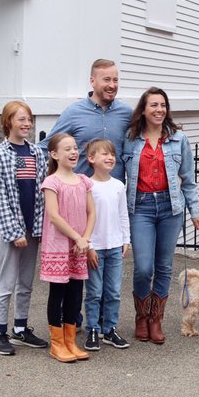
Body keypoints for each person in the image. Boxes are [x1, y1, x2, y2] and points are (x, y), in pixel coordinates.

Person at [123, 87, 199, 345]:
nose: (159, 110)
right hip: (141, 208)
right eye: (153, 105)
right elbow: (116, 175)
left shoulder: (179, 139)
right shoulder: (130, 138)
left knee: (164, 267)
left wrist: (195, 212)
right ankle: (141, 316)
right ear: (143, 110)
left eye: (162, 105)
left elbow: (188, 180)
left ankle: (156, 319)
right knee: (144, 267)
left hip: (171, 208)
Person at [0, 100, 50, 356]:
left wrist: (40, 229)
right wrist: (14, 233)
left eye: (28, 119)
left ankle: (21, 328)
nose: (26, 124)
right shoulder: (0, 155)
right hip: (13, 231)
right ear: (8, 122)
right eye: (20, 119)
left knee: (26, 282)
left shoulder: (36, 153)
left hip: (33, 229)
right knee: (6, 283)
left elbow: (43, 192)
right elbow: (0, 197)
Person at [40, 132, 96, 363]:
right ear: (54, 154)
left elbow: (91, 212)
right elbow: (54, 216)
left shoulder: (84, 181)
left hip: (79, 246)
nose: (74, 152)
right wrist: (77, 238)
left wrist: (85, 239)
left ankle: (71, 340)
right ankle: (57, 343)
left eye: (75, 148)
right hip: (59, 245)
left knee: (75, 292)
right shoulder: (51, 182)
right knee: (58, 293)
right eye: (67, 149)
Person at [82, 139, 131, 352]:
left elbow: (123, 215)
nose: (110, 158)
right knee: (94, 291)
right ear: (91, 159)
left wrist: (126, 240)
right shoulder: (86, 186)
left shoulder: (119, 185)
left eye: (112, 154)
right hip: (95, 247)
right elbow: (83, 218)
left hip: (114, 245)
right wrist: (89, 245)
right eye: (104, 154)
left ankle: (109, 328)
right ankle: (92, 328)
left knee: (113, 291)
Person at [48, 59, 132, 180]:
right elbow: (48, 146)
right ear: (92, 81)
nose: (112, 85)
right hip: (81, 191)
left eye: (115, 80)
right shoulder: (73, 113)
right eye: (107, 79)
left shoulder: (127, 113)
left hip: (114, 192)